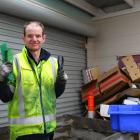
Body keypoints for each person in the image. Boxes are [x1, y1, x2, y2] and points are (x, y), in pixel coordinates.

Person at [0, 21, 67, 140]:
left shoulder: (53, 63)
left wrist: (62, 82)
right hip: (24, 132)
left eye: (38, 35)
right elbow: (6, 97)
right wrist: (1, 80)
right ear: (23, 38)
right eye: (30, 36)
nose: (34, 39)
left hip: (48, 129)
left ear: (43, 38)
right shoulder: (14, 62)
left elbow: (55, 93)